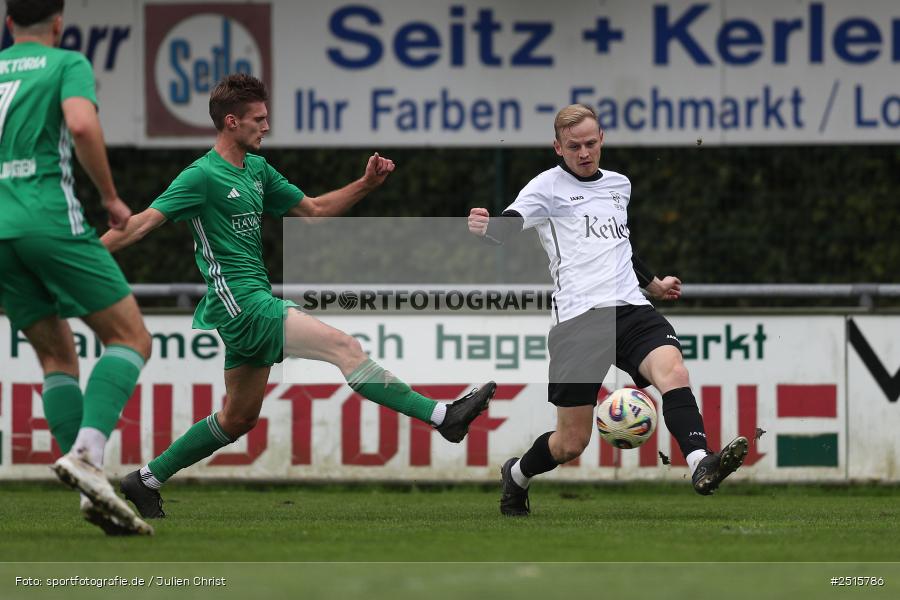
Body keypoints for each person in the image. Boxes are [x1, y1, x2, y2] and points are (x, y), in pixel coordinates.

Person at [102, 73, 495, 519]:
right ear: (231, 122)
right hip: (244, 306)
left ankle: (145, 479)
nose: (266, 126)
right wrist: (80, 261)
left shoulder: (256, 170)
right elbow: (141, 223)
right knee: (345, 348)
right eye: (258, 119)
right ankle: (443, 416)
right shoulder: (201, 176)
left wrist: (366, 184)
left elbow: (314, 211)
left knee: (237, 419)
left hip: (247, 305)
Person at [467, 104, 748, 517]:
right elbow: (508, 224)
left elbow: (620, 246)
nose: (584, 153)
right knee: (570, 443)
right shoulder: (546, 186)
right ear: (558, 148)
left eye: (590, 143)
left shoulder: (619, 185)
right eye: (574, 146)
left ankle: (700, 463)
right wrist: (487, 227)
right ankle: (518, 474)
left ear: (602, 139)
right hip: (578, 320)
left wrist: (654, 284)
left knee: (674, 372)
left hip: (631, 309)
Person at [0, 0, 152, 535]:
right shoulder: (66, 63)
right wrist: (110, 197)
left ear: (8, 23)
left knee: (56, 357)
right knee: (131, 338)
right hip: (48, 220)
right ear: (60, 23)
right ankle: (87, 456)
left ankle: (92, 488)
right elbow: (82, 125)